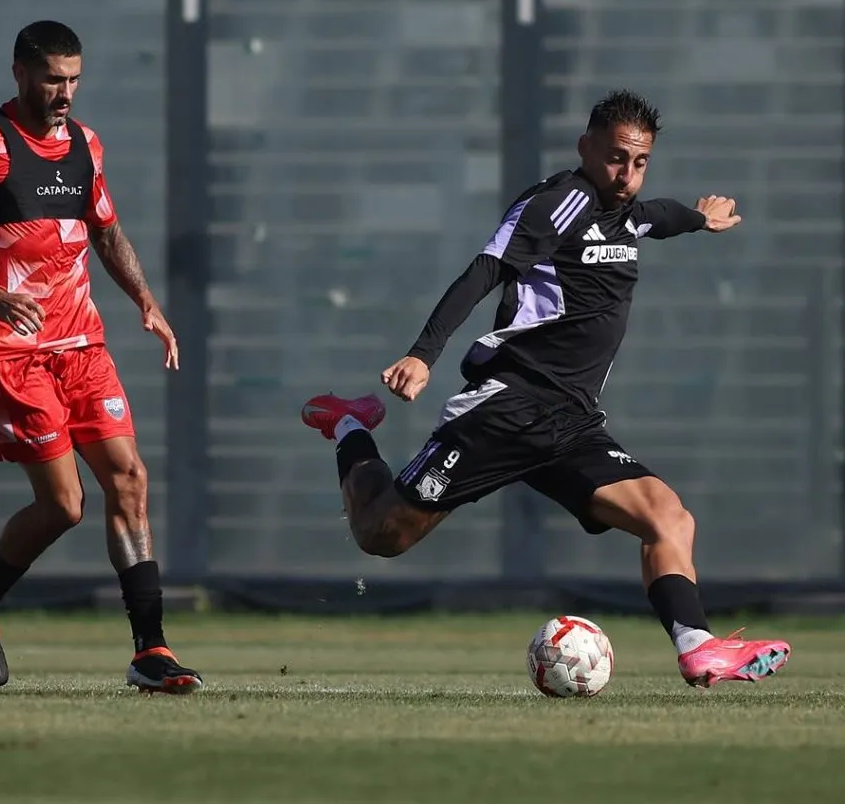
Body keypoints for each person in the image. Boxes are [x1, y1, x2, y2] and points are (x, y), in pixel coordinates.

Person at [302, 90, 790, 689]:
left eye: (639, 163)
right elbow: (483, 271)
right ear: (585, 147)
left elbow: (658, 217)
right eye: (616, 158)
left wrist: (700, 217)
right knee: (381, 535)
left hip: (572, 422)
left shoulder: (627, 212)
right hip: (507, 406)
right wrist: (423, 354)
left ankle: (699, 648)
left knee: (669, 518)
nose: (627, 175)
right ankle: (349, 425)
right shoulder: (557, 203)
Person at [0, 20, 202, 694]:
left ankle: (150, 650)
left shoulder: (84, 145)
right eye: (52, 79)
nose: (65, 92)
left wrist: (146, 301)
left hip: (82, 346)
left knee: (129, 479)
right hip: (13, 353)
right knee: (65, 505)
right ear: (19, 72)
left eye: (73, 78)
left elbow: (107, 228)